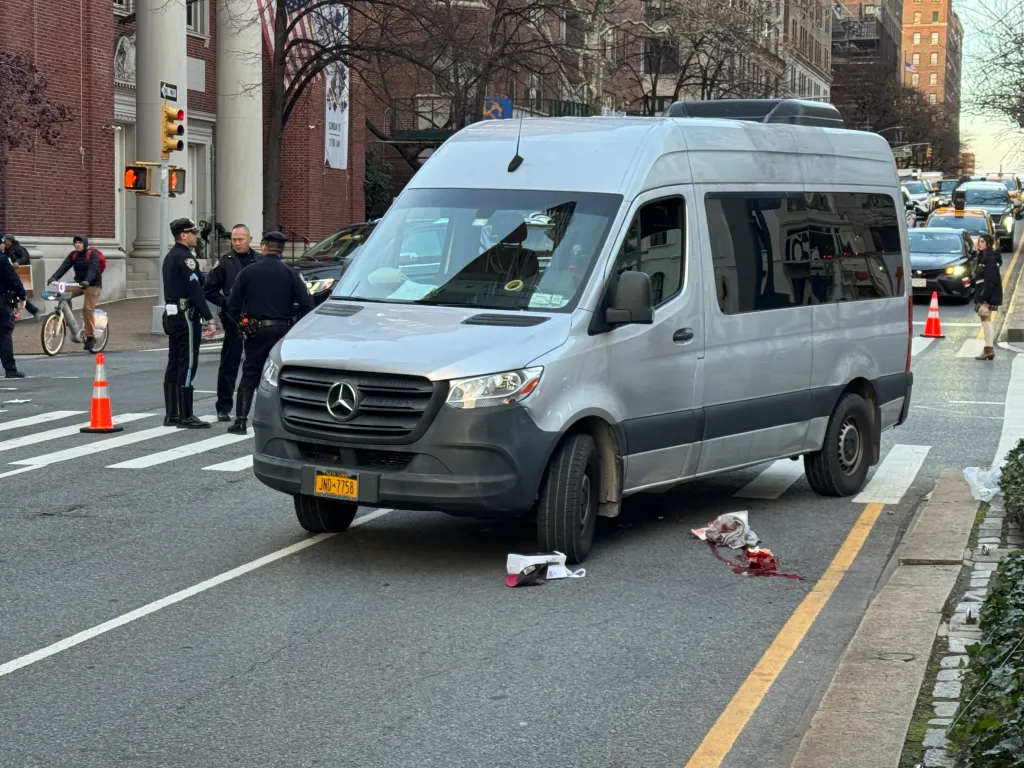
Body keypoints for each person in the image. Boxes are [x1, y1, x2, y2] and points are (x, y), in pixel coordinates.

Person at [225, 231, 313, 434]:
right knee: (281, 375)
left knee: (250, 374)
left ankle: (240, 421)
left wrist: (242, 322)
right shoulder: (291, 272)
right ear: (280, 250)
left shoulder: (248, 271)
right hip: (283, 330)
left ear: (264, 247)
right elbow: (308, 303)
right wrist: (295, 324)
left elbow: (232, 304)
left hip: (256, 330)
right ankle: (286, 422)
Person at [204, 224, 259, 421]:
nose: (236, 243)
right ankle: (223, 407)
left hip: (256, 317)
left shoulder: (258, 261)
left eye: (240, 239)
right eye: (234, 239)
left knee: (256, 364)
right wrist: (226, 303)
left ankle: (255, 409)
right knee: (230, 362)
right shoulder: (225, 262)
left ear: (249, 239)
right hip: (233, 319)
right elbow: (208, 290)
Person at [163, 218, 215, 428]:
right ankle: (186, 415)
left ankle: (172, 413)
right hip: (185, 314)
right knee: (188, 361)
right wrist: (209, 317)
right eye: (192, 233)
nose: (196, 236)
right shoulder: (186, 259)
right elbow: (195, 291)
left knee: (174, 360)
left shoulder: (170, 256)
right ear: (183, 235)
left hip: (172, 313)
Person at [46, 235, 104, 352]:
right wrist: (54, 278)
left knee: (87, 308)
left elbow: (93, 269)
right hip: (79, 283)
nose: (77, 245)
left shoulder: (92, 255)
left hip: (92, 284)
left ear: (85, 244)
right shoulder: (73, 255)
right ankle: (69, 320)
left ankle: (91, 337)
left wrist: (87, 281)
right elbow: (64, 266)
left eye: (80, 243)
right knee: (63, 293)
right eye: (76, 243)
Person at [973, 233, 1002, 361]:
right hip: (984, 292)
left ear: (988, 244)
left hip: (987, 294)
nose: (979, 243)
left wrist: (984, 299)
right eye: (979, 241)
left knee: (986, 320)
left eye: (983, 241)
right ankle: (988, 350)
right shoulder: (984, 257)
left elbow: (991, 280)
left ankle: (989, 350)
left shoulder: (989, 258)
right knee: (985, 319)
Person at [1, 248, 27, 378]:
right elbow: (14, 279)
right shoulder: (3, 260)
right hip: (3, 301)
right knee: (4, 335)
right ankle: (10, 369)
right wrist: (22, 296)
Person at [1, 234, 41, 320]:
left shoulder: (18, 248)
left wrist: (18, 262)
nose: (4, 242)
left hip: (20, 273)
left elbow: (25, 257)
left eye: (6, 241)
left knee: (18, 294)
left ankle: (33, 311)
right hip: (11, 274)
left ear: (10, 241)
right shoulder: (6, 250)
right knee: (16, 294)